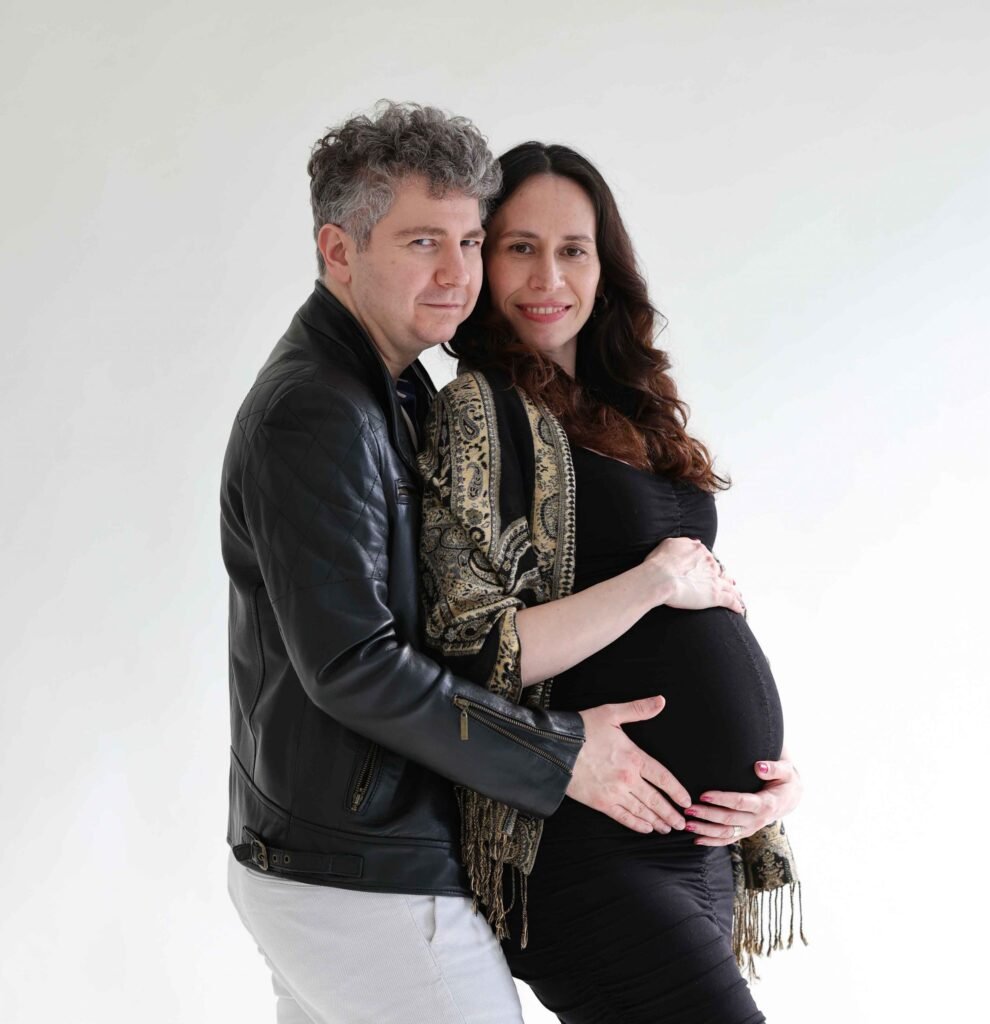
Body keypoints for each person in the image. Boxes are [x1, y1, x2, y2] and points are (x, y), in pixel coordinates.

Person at [220, 103, 749, 1024]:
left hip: (365, 859)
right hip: (365, 867)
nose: (458, 274)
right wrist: (559, 758)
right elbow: (355, 665)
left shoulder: (389, 393)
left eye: (470, 240)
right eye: (426, 242)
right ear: (338, 251)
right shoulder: (321, 410)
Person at [418, 142, 805, 1023]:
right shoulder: (478, 410)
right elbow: (471, 642)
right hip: (585, 848)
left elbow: (701, 614)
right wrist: (654, 579)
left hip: (696, 848)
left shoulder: (627, 408)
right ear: (482, 257)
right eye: (519, 246)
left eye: (572, 249)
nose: (546, 275)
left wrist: (772, 782)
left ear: (605, 263)